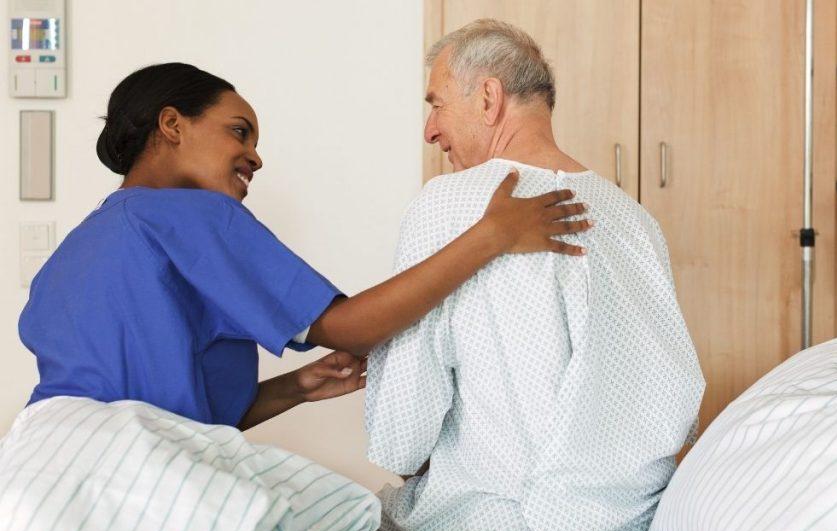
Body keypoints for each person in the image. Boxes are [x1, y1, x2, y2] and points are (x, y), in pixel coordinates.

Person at [16, 62, 592, 429]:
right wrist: (493, 234)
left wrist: (296, 387)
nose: (256, 156)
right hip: (127, 468)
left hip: (41, 460)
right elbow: (351, 329)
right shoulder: (194, 216)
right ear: (172, 125)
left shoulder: (72, 254)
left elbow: (171, 408)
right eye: (239, 132)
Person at [364, 20, 706, 531]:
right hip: (626, 525)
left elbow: (400, 435)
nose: (430, 130)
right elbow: (674, 399)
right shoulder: (634, 219)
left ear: (489, 98)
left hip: (498, 525)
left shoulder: (447, 204)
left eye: (437, 105)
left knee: (335, 526)